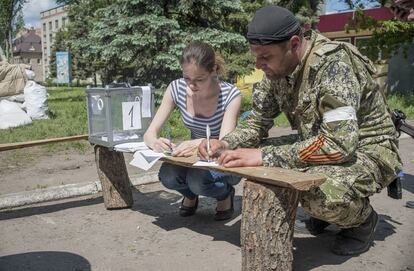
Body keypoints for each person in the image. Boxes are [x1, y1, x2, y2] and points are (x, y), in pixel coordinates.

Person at [198, 5, 403, 255]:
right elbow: (256, 122)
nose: (259, 64)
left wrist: (264, 155)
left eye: (265, 56)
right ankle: (332, 213)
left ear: (294, 44)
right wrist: (225, 143)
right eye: (256, 56)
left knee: (317, 197)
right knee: (248, 155)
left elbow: (339, 145)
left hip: (367, 149)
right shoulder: (277, 70)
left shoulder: (333, 64)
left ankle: (362, 221)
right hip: (322, 142)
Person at [144, 41, 242, 221]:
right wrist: (155, 142)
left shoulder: (230, 95)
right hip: (193, 158)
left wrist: (196, 143)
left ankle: (224, 194)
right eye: (187, 78)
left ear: (213, 70)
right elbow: (149, 133)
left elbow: (224, 143)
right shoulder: (176, 88)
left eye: (199, 79)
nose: (191, 85)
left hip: (221, 158)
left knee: (197, 181)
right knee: (167, 175)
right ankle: (190, 195)